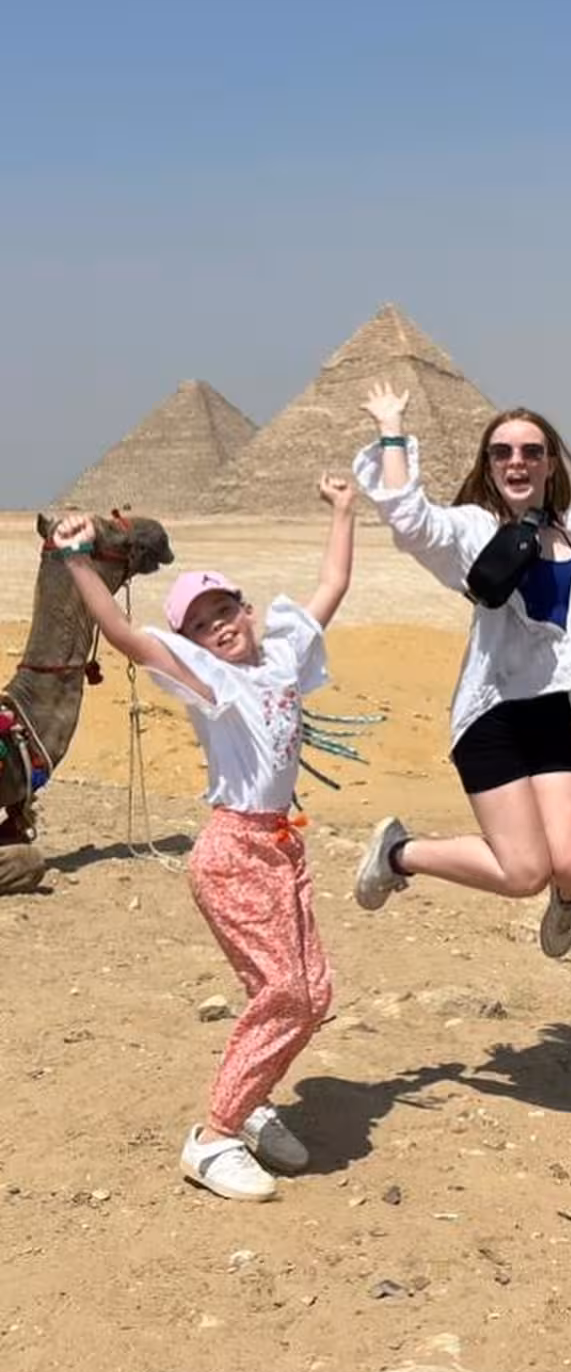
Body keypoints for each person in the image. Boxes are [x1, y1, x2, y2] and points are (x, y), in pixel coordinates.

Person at [52, 477, 357, 1201]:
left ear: (248, 610)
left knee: (311, 992)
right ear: (191, 644)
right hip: (233, 851)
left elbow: (334, 582)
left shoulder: (281, 657)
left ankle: (251, 1106)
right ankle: (215, 1135)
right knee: (284, 989)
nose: (220, 626)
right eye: (202, 624)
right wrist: (75, 563)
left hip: (283, 847)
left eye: (226, 610)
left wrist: (344, 510)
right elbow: (124, 636)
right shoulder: (211, 682)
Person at [351, 384, 571, 956]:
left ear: (550, 462)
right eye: (502, 452)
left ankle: (569, 899)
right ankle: (399, 852)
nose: (517, 461)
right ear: (487, 465)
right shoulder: (469, 531)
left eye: (531, 451)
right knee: (524, 871)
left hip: (549, 711)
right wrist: (391, 431)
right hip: (491, 715)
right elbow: (409, 522)